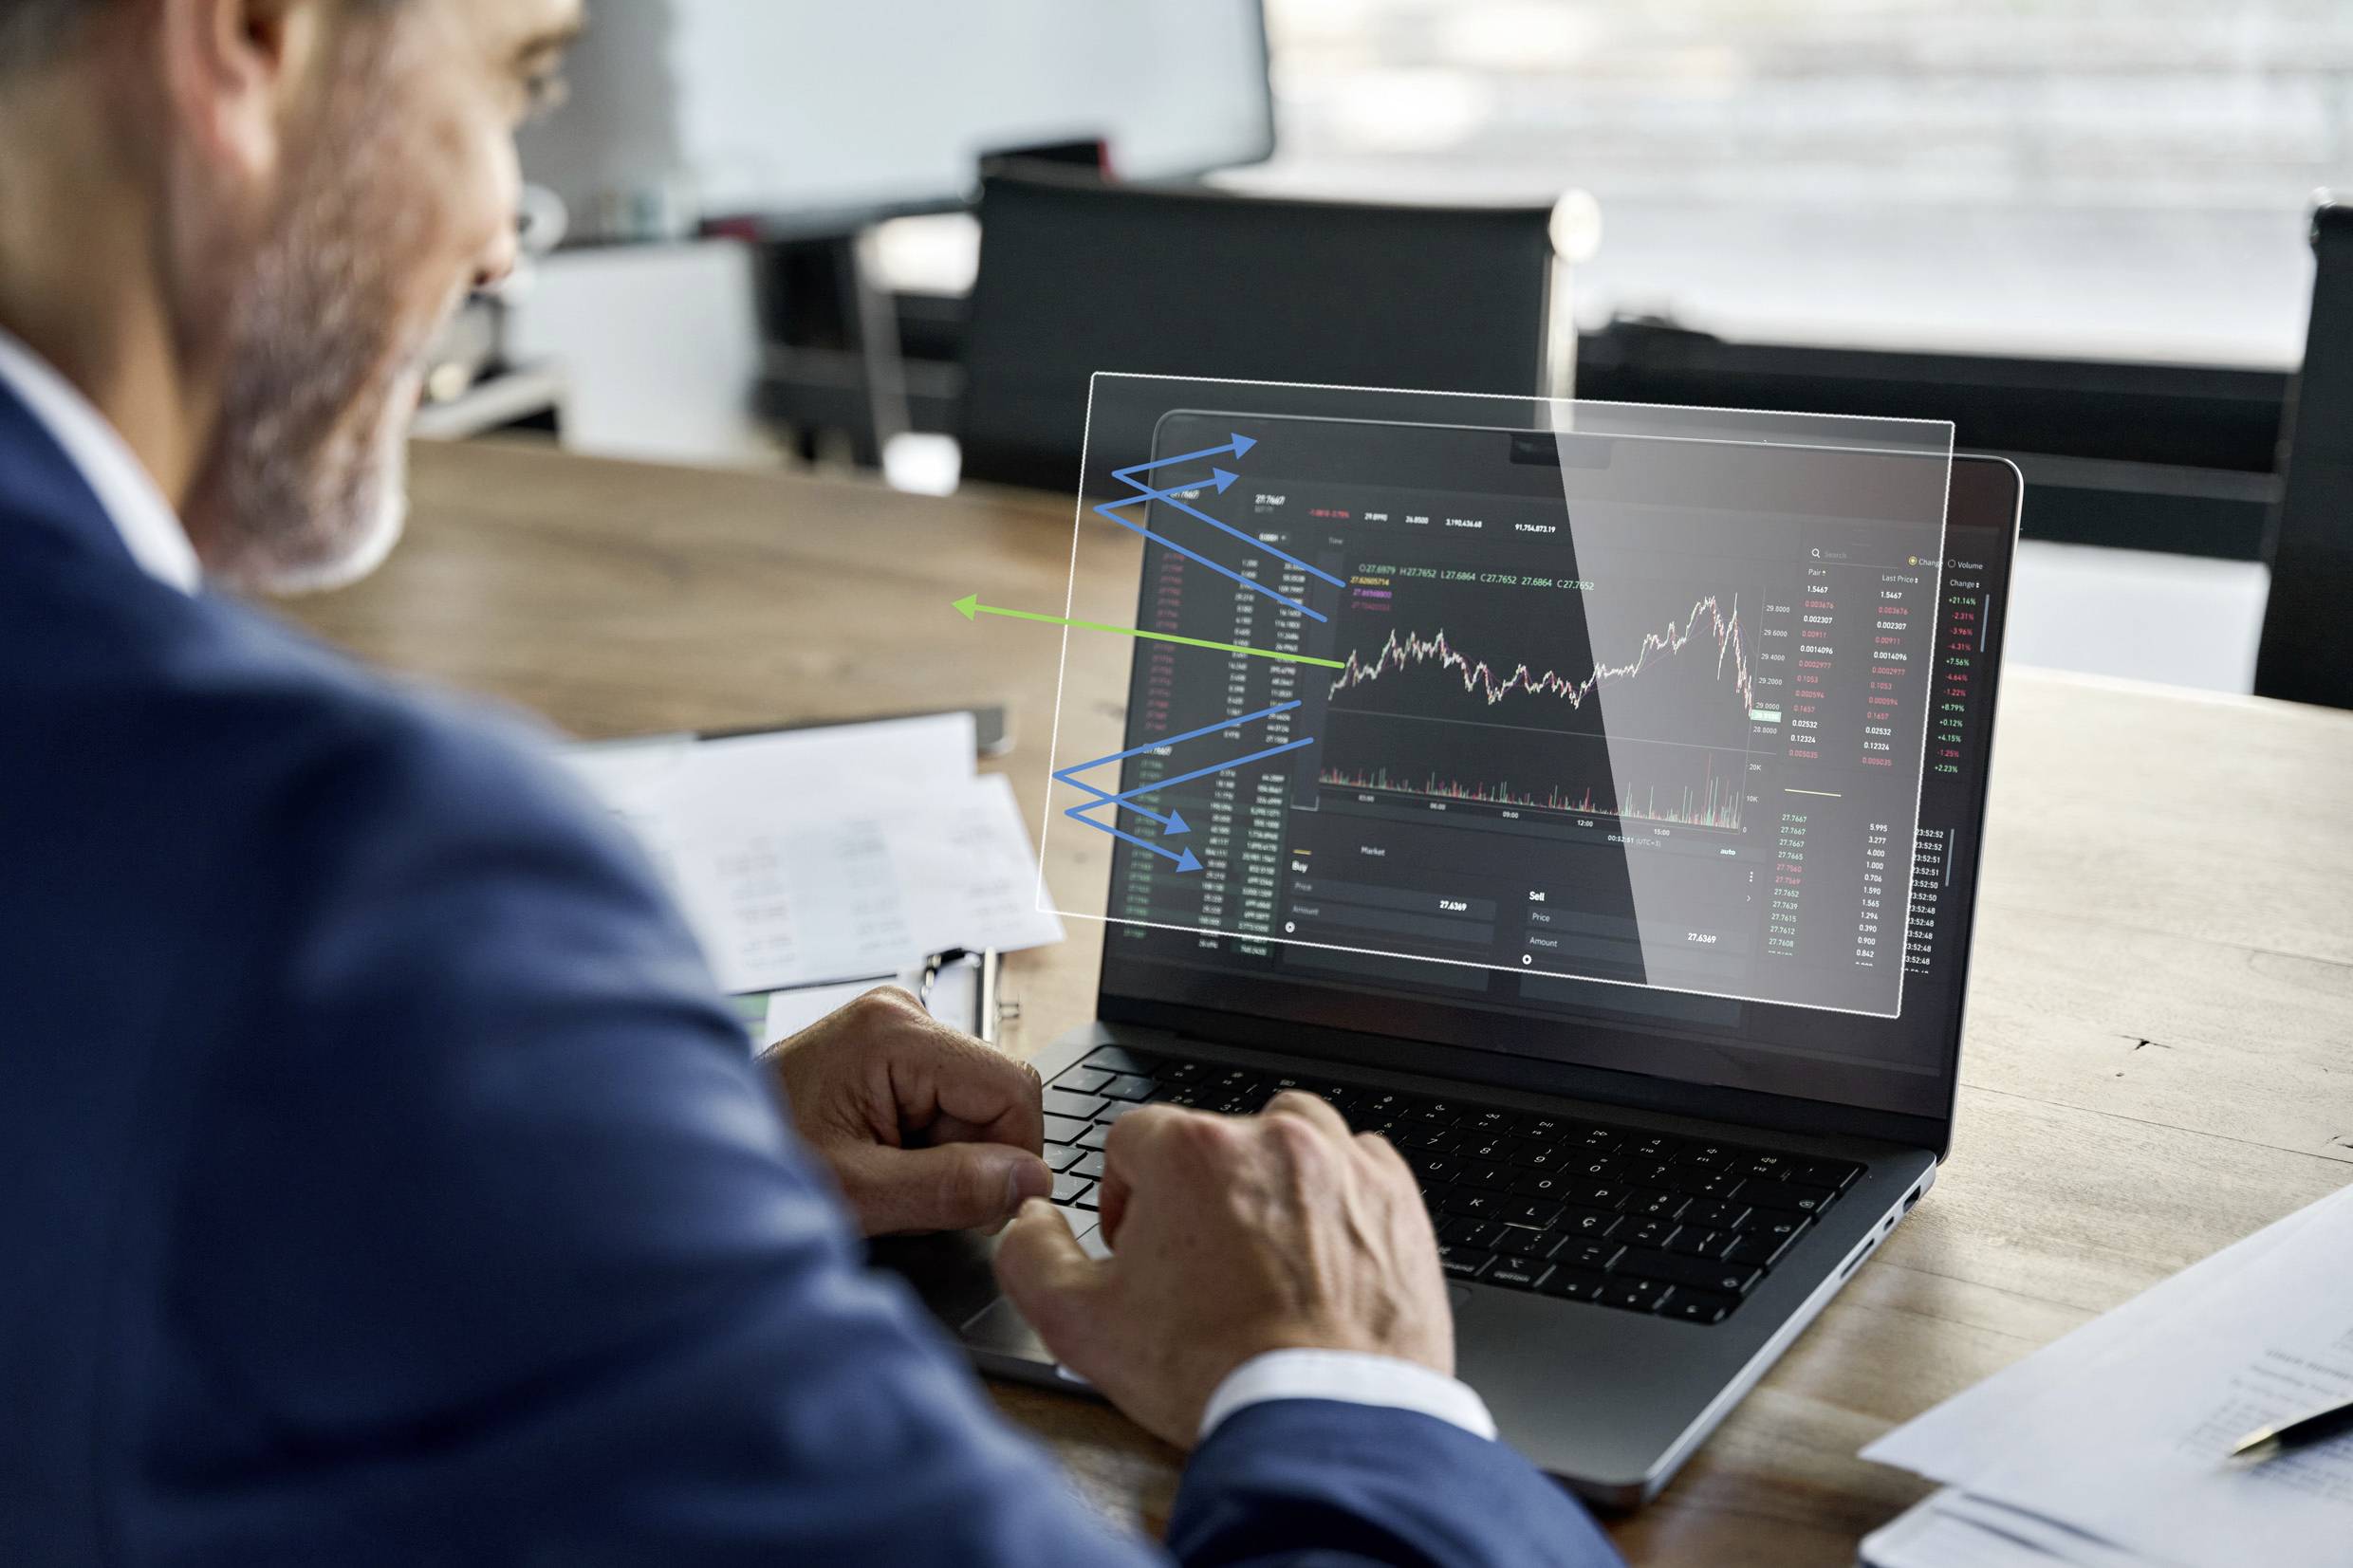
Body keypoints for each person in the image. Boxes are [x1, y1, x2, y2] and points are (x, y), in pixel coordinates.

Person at [0, 2, 1628, 1564]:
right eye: (515, 84)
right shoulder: (368, 884)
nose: (507, 238)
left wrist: (640, 1165)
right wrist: (1352, 1381)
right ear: (253, 39)